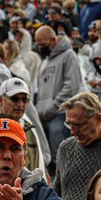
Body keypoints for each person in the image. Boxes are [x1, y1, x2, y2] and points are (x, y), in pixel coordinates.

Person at [33, 24, 83, 165]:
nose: (40, 48)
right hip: (43, 115)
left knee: (59, 158)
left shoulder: (69, 55)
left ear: (53, 39)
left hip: (61, 114)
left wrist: (53, 107)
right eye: (38, 45)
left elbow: (71, 88)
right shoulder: (44, 62)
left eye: (43, 44)